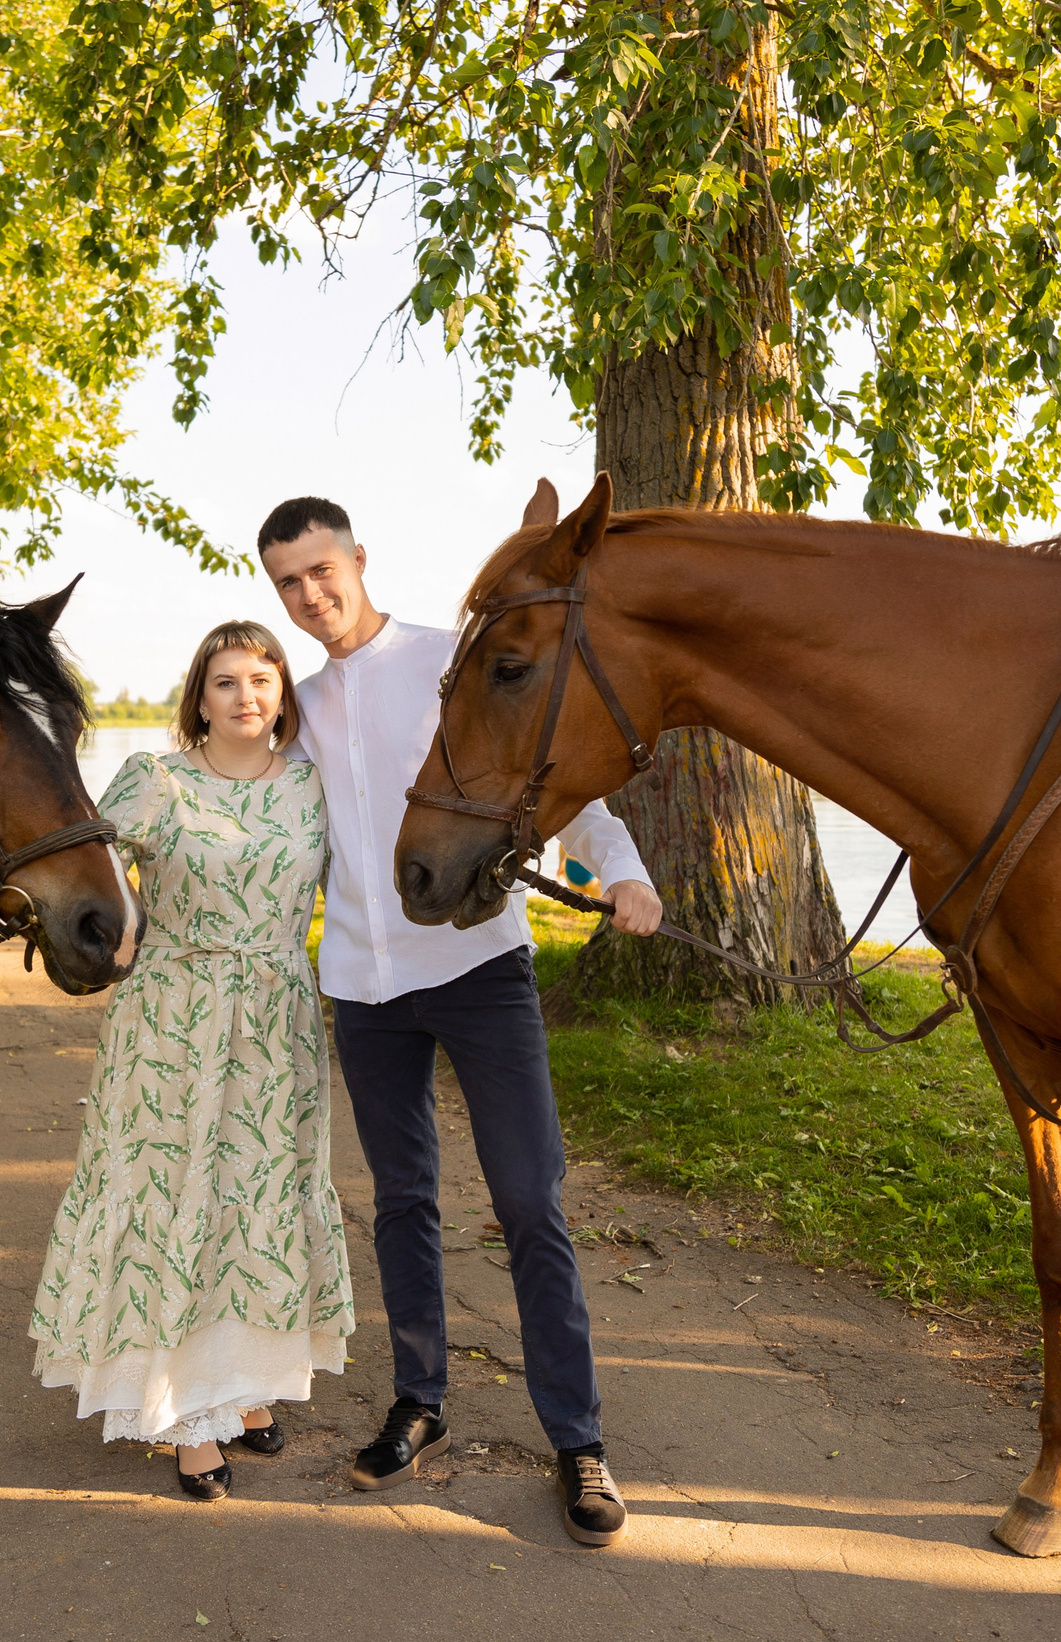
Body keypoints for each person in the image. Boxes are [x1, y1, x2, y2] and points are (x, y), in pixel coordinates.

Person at [259, 494, 664, 1548]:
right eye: (287, 582)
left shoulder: (463, 660)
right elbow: (246, 825)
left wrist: (620, 873)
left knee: (531, 1199)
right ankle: (418, 1400)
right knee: (403, 1200)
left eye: (320, 570)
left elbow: (565, 787)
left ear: (357, 559)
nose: (309, 595)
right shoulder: (300, 711)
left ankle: (577, 1439)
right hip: (361, 984)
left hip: (480, 970)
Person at [28, 621, 354, 1501]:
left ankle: (245, 1386)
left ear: (284, 691)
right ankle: (183, 1416)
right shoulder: (155, 781)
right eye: (225, 681)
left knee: (257, 1201)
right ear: (197, 698)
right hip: (173, 1020)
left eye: (262, 677)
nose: (247, 695)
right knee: (175, 1201)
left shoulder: (312, 789)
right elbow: (70, 863)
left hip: (278, 1024)